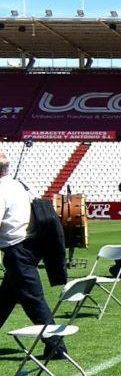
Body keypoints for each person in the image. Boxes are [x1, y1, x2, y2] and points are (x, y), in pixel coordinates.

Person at [0, 151, 63, 359]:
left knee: (33, 299)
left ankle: (56, 346)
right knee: (5, 298)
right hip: (33, 246)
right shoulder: (21, 184)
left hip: (17, 250)